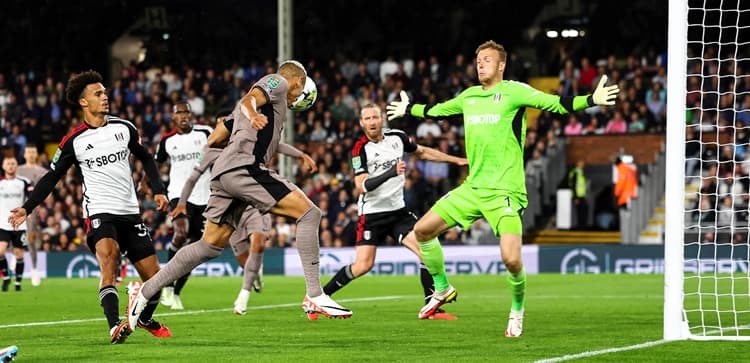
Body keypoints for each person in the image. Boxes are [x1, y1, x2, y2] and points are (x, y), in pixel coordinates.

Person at [386, 40, 619, 337]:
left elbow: (556, 104)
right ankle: (442, 288)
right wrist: (409, 108)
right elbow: (438, 111)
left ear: (501, 65)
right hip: (473, 189)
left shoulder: (514, 91)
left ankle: (517, 308)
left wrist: (590, 99)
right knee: (422, 231)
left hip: (505, 192)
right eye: (477, 59)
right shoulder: (469, 96)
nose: (480, 63)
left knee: (511, 259)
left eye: (486, 59)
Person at [127, 60, 352, 332]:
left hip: (223, 174)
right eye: (299, 93)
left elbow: (214, 139)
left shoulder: (251, 111)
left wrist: (265, 135)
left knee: (209, 245)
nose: (295, 99)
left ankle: (145, 290)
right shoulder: (279, 83)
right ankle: (315, 294)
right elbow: (249, 98)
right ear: (298, 82)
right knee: (309, 213)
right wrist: (252, 114)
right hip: (245, 168)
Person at [7, 70, 173, 344]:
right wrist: (27, 207)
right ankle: (114, 327)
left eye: (105, 92)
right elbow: (51, 177)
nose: (105, 96)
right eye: (98, 93)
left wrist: (158, 189)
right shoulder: (74, 141)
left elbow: (147, 158)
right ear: (84, 102)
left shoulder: (124, 128)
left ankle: (142, 317)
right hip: (99, 212)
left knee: (156, 280)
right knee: (109, 258)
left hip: (130, 212)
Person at [321, 104, 467, 320]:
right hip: (372, 214)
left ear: (382, 119)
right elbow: (361, 185)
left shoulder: (397, 137)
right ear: (361, 123)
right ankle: (321, 297)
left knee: (426, 252)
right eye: (367, 118)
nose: (371, 122)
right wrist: (391, 172)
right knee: (363, 266)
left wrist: (457, 160)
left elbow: (424, 152)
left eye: (375, 117)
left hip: (398, 211)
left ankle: (431, 306)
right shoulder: (359, 149)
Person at [170, 111, 318, 315]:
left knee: (258, 241)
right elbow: (192, 179)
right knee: (243, 260)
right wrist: (181, 203)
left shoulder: (247, 142)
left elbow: (277, 146)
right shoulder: (209, 151)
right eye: (220, 126)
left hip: (255, 204)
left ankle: (243, 296)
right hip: (231, 210)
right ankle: (254, 274)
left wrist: (300, 155)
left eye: (227, 126)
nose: (224, 130)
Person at [152, 100, 213, 311]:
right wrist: (147, 186)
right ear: (173, 118)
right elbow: (154, 165)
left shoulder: (206, 133)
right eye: (180, 113)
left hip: (205, 198)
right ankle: (167, 284)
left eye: (187, 112)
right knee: (180, 233)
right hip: (179, 195)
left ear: (192, 115)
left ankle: (176, 292)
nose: (184, 116)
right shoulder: (167, 141)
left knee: (197, 249)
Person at [16, 145, 47, 287]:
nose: (31, 154)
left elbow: (49, 189)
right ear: (24, 154)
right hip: (14, 206)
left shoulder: (42, 171)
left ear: (37, 154)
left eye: (33, 152)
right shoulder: (18, 170)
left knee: (31, 239)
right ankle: (16, 252)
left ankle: (34, 269)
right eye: (28, 152)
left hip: (32, 209)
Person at [0, 156, 31, 292]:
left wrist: (28, 213)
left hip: (19, 224)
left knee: (19, 254)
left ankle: (18, 282)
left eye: (13, 163)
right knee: (0, 251)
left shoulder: (24, 182)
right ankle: (6, 277)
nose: (10, 166)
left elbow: (31, 199)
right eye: (8, 163)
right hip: (2, 223)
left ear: (16, 165)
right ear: (3, 166)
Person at [567, 159, 588, 229]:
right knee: (578, 212)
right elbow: (573, 185)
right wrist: (575, 197)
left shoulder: (581, 172)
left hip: (582, 195)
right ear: (578, 164)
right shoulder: (575, 173)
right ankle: (578, 226)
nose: (583, 165)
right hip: (577, 196)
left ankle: (582, 225)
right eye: (581, 163)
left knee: (583, 211)